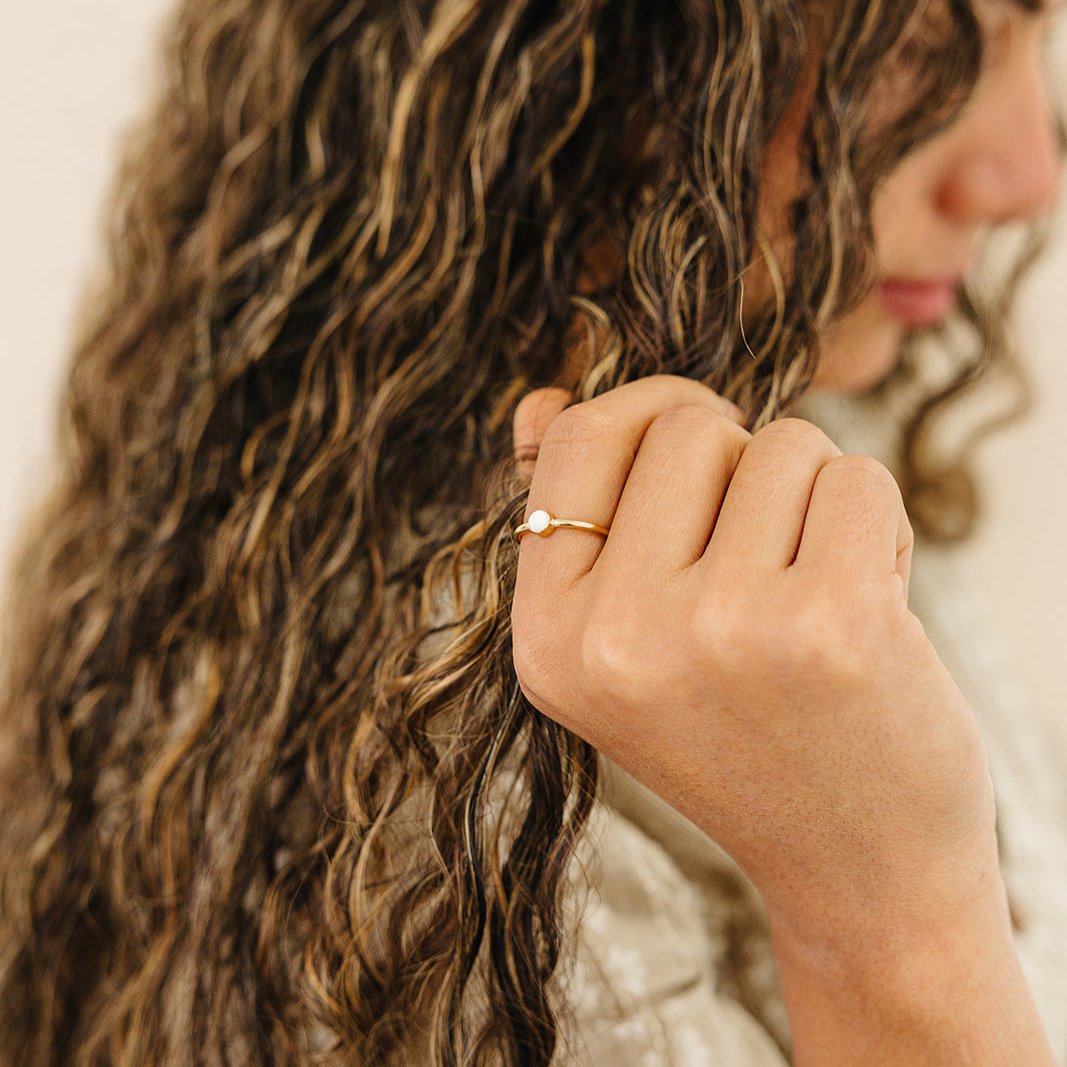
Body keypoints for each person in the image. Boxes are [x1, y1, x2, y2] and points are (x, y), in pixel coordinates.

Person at [0, 0, 1064, 1064]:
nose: (1029, 175)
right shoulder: (443, 813)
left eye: (1039, 37)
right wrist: (892, 921)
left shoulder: (819, 415)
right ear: (573, 61)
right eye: (920, 49)